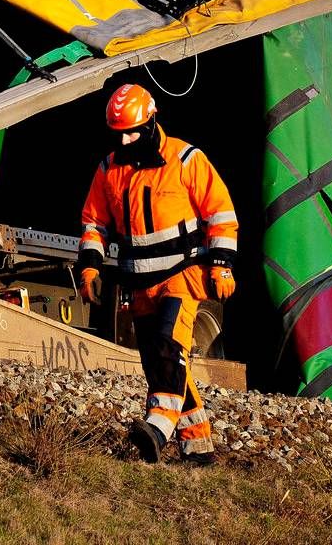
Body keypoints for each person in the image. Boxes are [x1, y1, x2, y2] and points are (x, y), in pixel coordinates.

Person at [76, 83, 237, 465]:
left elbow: (221, 213)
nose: (126, 140)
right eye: (119, 134)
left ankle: (158, 428)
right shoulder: (108, 170)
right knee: (159, 360)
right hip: (138, 281)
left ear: (151, 123)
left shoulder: (186, 160)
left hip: (183, 274)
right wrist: (89, 267)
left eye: (133, 131)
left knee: (168, 347)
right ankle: (198, 445)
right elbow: (94, 223)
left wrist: (222, 264)